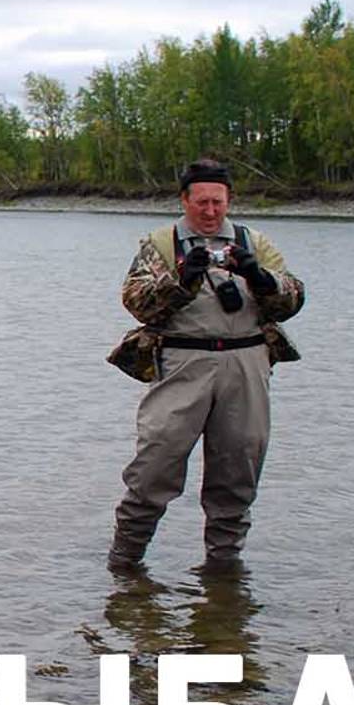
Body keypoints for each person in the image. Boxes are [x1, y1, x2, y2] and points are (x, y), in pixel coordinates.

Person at [110, 158, 304, 571]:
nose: (211, 211)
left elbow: (292, 299)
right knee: (154, 466)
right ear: (185, 200)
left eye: (218, 202)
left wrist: (260, 277)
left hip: (246, 363)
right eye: (202, 202)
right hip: (182, 363)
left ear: (229, 200)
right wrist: (181, 279)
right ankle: (124, 566)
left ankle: (224, 567)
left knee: (239, 469)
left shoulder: (255, 242)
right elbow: (135, 302)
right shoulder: (161, 244)